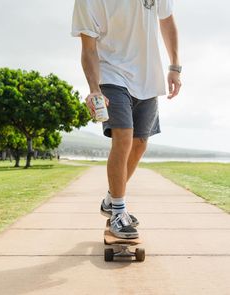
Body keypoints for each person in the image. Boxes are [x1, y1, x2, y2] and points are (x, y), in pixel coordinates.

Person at [71, 0, 182, 239]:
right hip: (111, 75)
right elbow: (88, 48)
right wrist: (94, 88)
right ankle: (118, 213)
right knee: (123, 138)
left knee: (140, 144)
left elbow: (167, 20)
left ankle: (111, 200)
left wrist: (175, 66)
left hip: (148, 78)